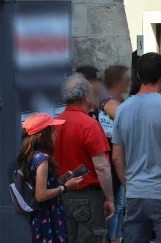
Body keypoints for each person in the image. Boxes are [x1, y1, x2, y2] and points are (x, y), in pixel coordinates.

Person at [112, 52, 161, 243]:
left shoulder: (122, 109)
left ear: (138, 76)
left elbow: (116, 157)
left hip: (135, 193)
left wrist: (128, 184)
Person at [54, 74, 114, 243]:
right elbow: (102, 167)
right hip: (88, 197)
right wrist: (109, 198)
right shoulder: (89, 124)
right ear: (86, 96)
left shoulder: (53, 123)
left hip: (61, 194)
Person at [17, 113, 85, 243]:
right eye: (52, 130)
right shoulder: (42, 158)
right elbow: (41, 194)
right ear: (43, 134)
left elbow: (41, 185)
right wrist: (65, 187)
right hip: (48, 216)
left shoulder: (30, 156)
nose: (56, 134)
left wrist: (61, 181)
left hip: (40, 217)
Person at [99, 65, 131, 243]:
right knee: (115, 205)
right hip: (111, 158)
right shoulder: (107, 100)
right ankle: (112, 238)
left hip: (122, 157)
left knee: (120, 205)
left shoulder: (122, 99)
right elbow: (123, 118)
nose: (130, 81)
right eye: (127, 78)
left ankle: (117, 238)